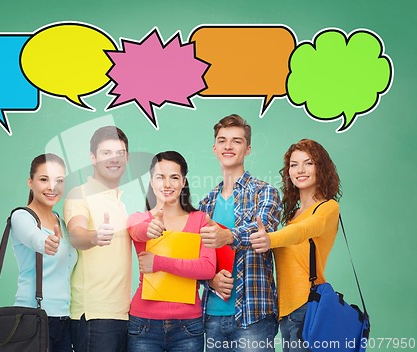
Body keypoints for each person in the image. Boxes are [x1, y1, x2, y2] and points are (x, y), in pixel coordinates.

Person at [199, 114, 282, 352]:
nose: (228, 146)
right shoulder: (206, 204)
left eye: (236, 141)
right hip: (213, 316)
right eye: (222, 140)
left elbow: (261, 232)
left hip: (253, 315)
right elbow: (196, 257)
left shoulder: (265, 193)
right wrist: (210, 280)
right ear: (214, 148)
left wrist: (229, 236)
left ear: (248, 149)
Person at [250, 139, 341, 352]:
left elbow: (301, 232)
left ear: (321, 168)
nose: (300, 170)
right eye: (293, 164)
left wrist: (270, 239)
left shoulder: (327, 208)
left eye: (308, 163)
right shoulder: (292, 216)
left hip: (308, 308)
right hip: (286, 313)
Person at [126, 151, 216, 352]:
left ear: (183, 182)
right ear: (151, 181)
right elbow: (137, 231)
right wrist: (149, 228)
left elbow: (208, 268)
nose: (167, 184)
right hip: (143, 324)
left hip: (188, 325)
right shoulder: (139, 218)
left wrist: (158, 262)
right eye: (160, 177)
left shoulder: (200, 219)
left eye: (174, 177)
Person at [63, 126, 132, 352]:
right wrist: (95, 236)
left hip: (123, 313)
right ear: (93, 158)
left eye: (119, 152)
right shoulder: (79, 194)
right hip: (94, 315)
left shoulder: (121, 203)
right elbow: (76, 234)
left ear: (127, 158)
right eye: (105, 153)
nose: (114, 159)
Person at [10, 153, 77, 352]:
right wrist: (45, 242)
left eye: (59, 180)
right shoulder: (21, 216)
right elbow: (34, 238)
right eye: (44, 179)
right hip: (32, 318)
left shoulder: (62, 223)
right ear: (30, 182)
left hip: (64, 320)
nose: (52, 187)